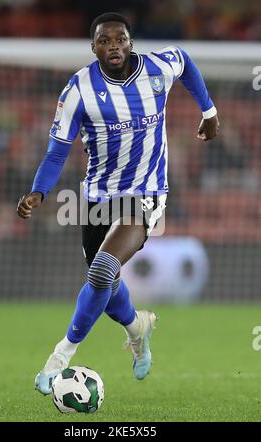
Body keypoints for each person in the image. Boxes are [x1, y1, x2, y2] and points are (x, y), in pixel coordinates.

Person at [17, 12, 219, 395]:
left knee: (101, 270)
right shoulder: (78, 90)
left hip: (146, 194)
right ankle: (137, 330)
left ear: (130, 41)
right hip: (96, 198)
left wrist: (208, 111)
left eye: (120, 39)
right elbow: (57, 153)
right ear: (93, 47)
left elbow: (186, 62)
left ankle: (60, 357)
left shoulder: (158, 69)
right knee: (107, 290)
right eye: (105, 41)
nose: (114, 46)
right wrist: (38, 191)